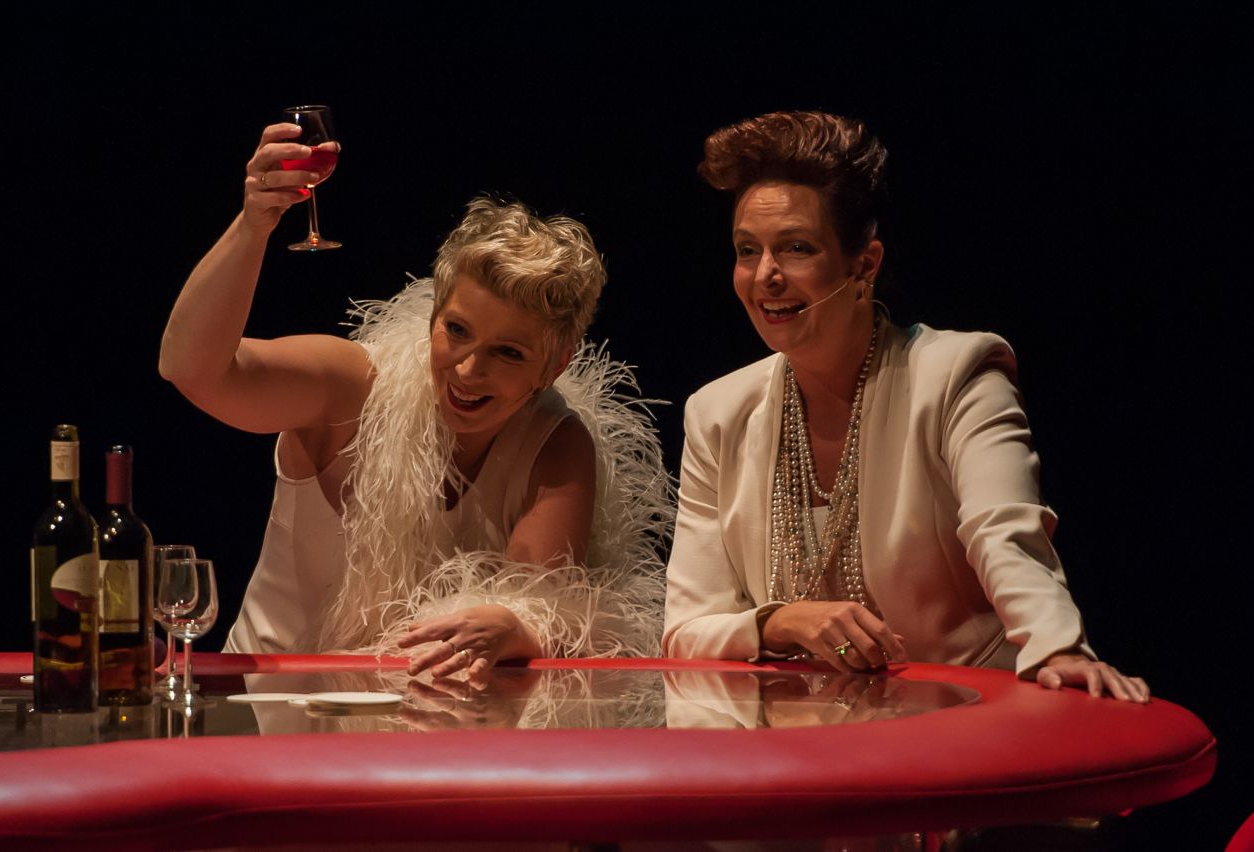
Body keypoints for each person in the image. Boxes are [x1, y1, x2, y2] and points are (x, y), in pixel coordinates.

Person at [662, 111, 1148, 702]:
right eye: (747, 250)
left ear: (864, 264)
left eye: (796, 248)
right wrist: (778, 622)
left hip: (962, 715)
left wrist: (1057, 645)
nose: (765, 275)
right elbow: (687, 630)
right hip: (800, 734)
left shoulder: (958, 374)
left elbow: (1004, 531)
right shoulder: (716, 412)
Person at [160, 121, 671, 676]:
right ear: (433, 315)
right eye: (457, 330)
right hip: (266, 708)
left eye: (508, 353)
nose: (469, 370)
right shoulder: (351, 387)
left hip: (432, 713)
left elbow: (535, 608)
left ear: (555, 366)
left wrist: (521, 626)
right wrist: (252, 225)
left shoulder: (557, 443)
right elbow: (191, 370)